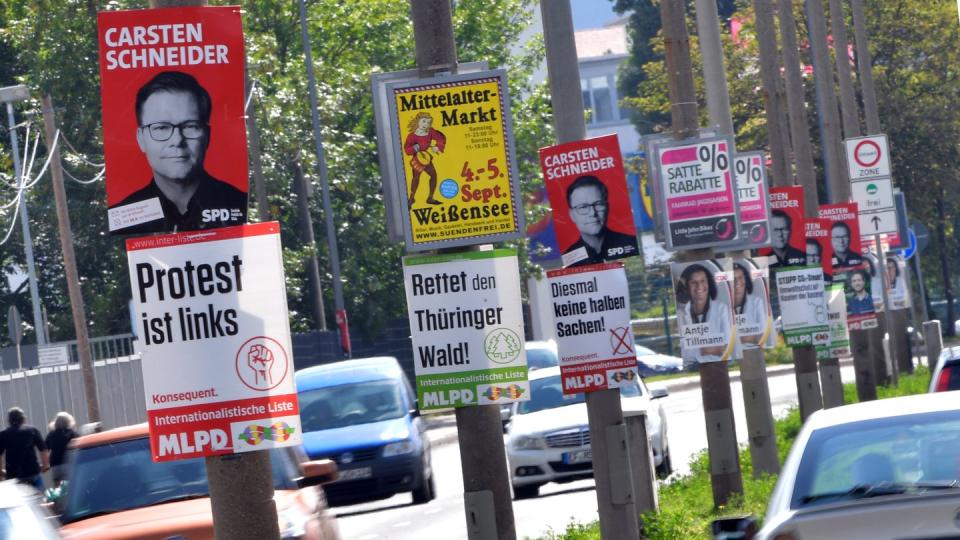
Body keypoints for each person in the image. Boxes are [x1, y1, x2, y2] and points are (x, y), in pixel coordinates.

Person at [110, 71, 247, 234]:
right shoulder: (122, 217)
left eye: (190, 126)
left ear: (207, 136)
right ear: (141, 139)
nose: (177, 140)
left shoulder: (241, 205)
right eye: (161, 128)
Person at [561, 175, 637, 267]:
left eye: (598, 204)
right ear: (572, 215)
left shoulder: (632, 244)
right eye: (583, 207)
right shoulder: (568, 260)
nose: (593, 213)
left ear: (607, 208)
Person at [676, 263, 733, 366]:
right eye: (694, 282)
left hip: (720, 365)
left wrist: (696, 348)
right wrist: (709, 349)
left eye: (703, 281)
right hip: (693, 368)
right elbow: (685, 353)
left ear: (709, 283)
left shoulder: (721, 309)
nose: (699, 286)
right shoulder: (681, 314)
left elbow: (728, 346)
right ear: (687, 287)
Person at [0, 407, 49, 490]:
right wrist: (45, 465)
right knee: (40, 499)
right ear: (23, 418)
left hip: (13, 475)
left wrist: (1, 471)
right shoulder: (32, 430)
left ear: (9, 420)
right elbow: (43, 449)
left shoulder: (3, 434)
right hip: (32, 471)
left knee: (16, 501)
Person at [404, 112, 446, 208]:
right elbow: (407, 150)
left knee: (434, 176)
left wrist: (438, 146)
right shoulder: (412, 136)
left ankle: (430, 198)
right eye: (423, 121)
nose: (425, 124)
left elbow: (441, 137)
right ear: (417, 121)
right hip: (417, 159)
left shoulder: (430, 132)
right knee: (416, 178)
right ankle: (411, 198)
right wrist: (415, 147)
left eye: (428, 122)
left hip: (426, 159)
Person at [733, 262, 767, 353]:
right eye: (733, 279)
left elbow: (763, 333)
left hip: (754, 352)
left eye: (740, 277)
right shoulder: (723, 307)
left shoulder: (756, 302)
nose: (738, 282)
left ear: (746, 279)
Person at [45, 412, 77, 487]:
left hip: (55, 465)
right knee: (71, 487)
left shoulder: (51, 434)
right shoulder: (73, 434)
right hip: (68, 464)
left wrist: (46, 464)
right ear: (69, 421)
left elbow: (45, 448)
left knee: (57, 487)